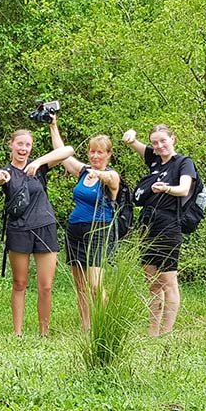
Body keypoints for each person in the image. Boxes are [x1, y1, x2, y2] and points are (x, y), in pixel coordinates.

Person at [0, 130, 74, 337]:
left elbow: (68, 150)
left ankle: (44, 332)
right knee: (20, 283)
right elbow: (0, 178)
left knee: (46, 286)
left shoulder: (39, 168)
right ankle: (18, 333)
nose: (23, 149)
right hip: (19, 230)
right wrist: (2, 178)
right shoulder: (7, 170)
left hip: (45, 227)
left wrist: (38, 162)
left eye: (27, 145)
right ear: (10, 145)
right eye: (19, 144)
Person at [49, 116, 121, 332]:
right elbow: (62, 154)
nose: (95, 155)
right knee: (80, 285)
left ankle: (106, 324)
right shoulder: (83, 172)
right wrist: (53, 125)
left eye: (100, 152)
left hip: (97, 230)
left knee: (95, 284)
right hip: (75, 230)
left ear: (108, 154)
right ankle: (86, 326)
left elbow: (110, 179)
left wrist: (98, 173)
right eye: (92, 151)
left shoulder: (111, 175)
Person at [122, 124, 196, 336]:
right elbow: (133, 143)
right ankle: (152, 331)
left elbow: (184, 189)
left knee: (168, 281)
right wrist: (131, 135)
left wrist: (165, 188)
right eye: (155, 142)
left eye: (163, 140)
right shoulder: (155, 159)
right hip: (148, 225)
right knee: (152, 282)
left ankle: (166, 332)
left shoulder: (183, 163)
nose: (159, 145)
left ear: (173, 138)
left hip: (169, 224)